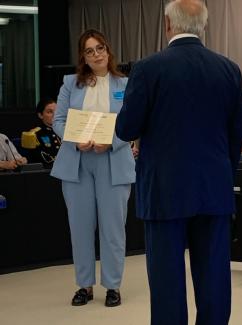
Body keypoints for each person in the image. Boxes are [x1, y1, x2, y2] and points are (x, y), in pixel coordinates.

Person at [116, 1, 242, 324]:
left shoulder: (148, 68)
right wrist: (221, 173)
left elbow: (126, 128)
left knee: (167, 282)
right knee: (215, 276)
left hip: (164, 191)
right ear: (203, 25)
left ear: (168, 24)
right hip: (214, 189)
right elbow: (235, 135)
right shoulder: (229, 69)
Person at [51, 29, 135, 307]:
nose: (97, 54)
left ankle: (113, 286)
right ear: (83, 57)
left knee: (113, 229)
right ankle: (84, 285)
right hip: (77, 162)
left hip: (113, 160)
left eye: (100, 48)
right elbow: (59, 120)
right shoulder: (69, 84)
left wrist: (110, 142)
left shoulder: (125, 83)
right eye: (90, 51)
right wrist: (76, 140)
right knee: (80, 227)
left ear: (108, 50)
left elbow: (131, 123)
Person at [21, 98, 61, 168]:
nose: (55, 115)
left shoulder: (66, 131)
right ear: (40, 115)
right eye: (50, 112)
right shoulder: (34, 134)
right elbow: (39, 160)